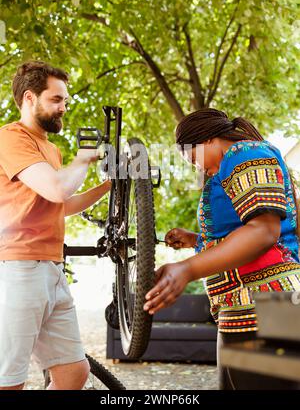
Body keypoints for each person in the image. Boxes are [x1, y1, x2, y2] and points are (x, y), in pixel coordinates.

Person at [144, 108, 300, 390]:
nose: (198, 168)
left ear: (206, 140)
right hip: (239, 308)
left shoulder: (247, 153)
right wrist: (195, 241)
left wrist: (187, 269)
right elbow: (240, 233)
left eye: (193, 158)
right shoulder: (228, 167)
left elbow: (264, 231)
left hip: (268, 306)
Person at [0, 61, 111, 390]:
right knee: (9, 380)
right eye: (56, 99)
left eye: (65, 100)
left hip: (51, 268)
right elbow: (57, 188)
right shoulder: (10, 139)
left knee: (74, 372)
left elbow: (59, 205)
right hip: (18, 269)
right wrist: (83, 159)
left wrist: (108, 187)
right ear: (30, 98)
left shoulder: (49, 149)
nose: (64, 107)